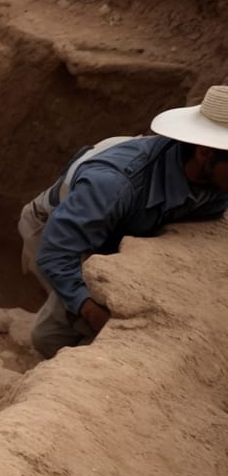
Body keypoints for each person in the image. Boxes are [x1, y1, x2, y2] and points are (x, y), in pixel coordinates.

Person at [21, 84, 228, 358]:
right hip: (53, 228)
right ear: (205, 152)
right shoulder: (114, 185)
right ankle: (14, 327)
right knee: (52, 335)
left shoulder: (214, 176)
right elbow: (56, 252)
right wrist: (92, 312)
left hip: (113, 227)